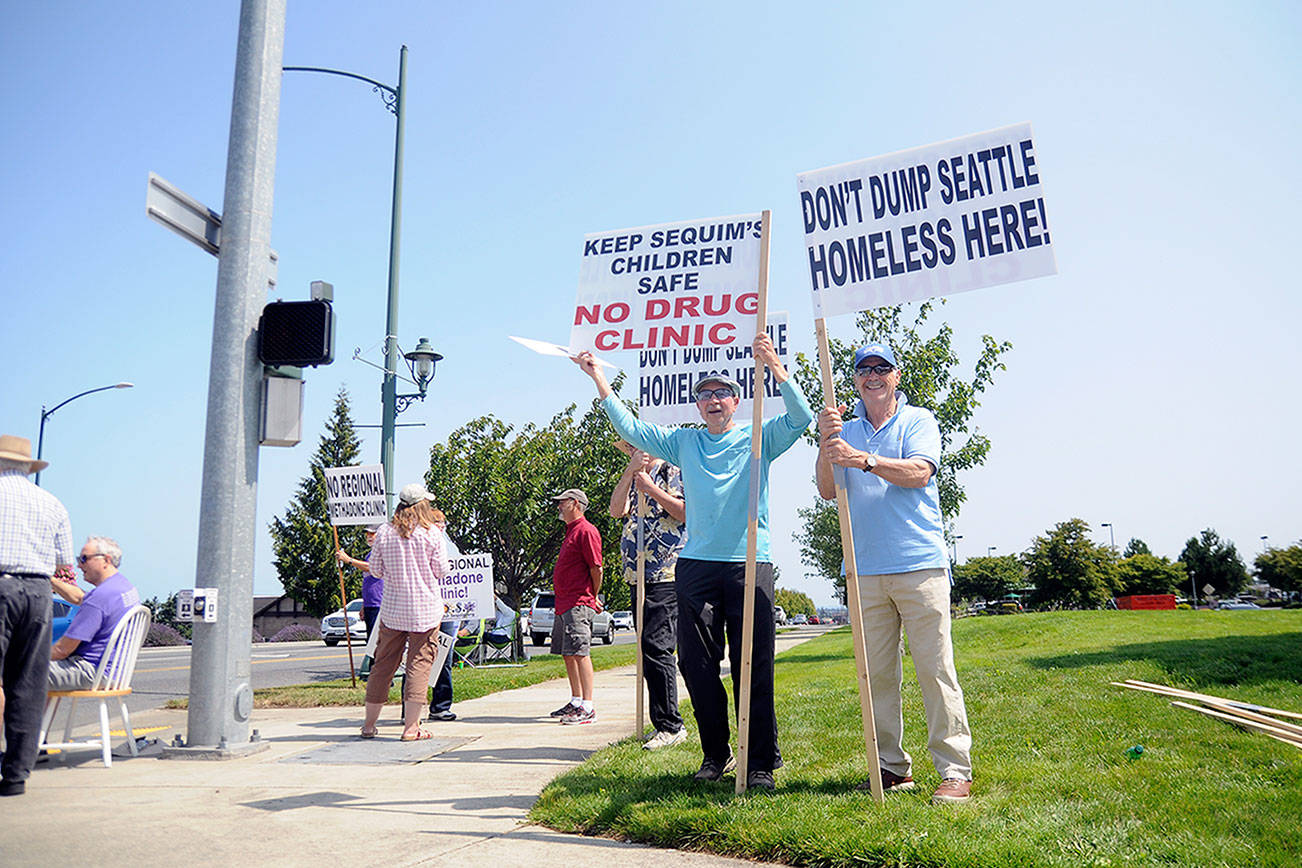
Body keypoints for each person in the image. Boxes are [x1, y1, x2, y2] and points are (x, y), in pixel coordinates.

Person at [574, 333, 813, 790]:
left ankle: (760, 760)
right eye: (704, 395)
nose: (713, 400)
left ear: (737, 401)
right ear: (697, 406)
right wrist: (599, 378)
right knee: (697, 665)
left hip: (749, 563)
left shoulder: (759, 435)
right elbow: (632, 430)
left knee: (753, 665)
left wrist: (775, 366)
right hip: (696, 566)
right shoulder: (685, 443)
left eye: (721, 393)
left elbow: (800, 417)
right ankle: (716, 753)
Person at [815, 343, 973, 805]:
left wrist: (865, 459)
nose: (872, 376)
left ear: (896, 376)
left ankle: (955, 769)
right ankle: (890, 766)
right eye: (864, 369)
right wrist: (828, 445)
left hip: (919, 565)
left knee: (935, 670)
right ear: (856, 379)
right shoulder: (844, 430)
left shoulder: (919, 421)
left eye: (881, 368)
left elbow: (920, 474)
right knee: (877, 675)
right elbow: (827, 490)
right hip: (863, 570)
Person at [0, 435, 75, 797]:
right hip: (38, 592)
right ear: (28, 467)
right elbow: (64, 564)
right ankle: (16, 775)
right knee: (28, 685)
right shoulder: (52, 503)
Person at [609, 439, 687, 750]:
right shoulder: (633, 474)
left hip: (666, 572)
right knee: (647, 647)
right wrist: (630, 473)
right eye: (629, 448)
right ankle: (661, 722)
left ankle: (671, 725)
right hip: (637, 575)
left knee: (658, 645)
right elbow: (617, 511)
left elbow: (684, 512)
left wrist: (651, 488)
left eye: (636, 446)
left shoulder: (671, 470)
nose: (633, 451)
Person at [359, 483, 450, 741]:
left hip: (392, 610)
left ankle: (369, 725)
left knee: (382, 666)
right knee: (418, 667)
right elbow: (442, 570)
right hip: (425, 611)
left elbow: (375, 570)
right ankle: (411, 728)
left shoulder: (385, 533)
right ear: (424, 505)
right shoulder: (432, 534)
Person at [48, 537, 140, 690]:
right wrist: (49, 579)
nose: (78, 565)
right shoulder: (123, 587)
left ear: (106, 560)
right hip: (117, 674)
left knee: (11, 672)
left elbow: (62, 650)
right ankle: (42, 715)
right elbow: (80, 597)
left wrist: (27, 658)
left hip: (92, 672)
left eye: (84, 558)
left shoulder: (99, 598)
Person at [547, 488, 603, 725]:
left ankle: (588, 707)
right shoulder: (570, 532)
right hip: (564, 603)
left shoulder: (586, 531)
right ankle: (576, 700)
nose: (559, 506)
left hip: (578, 602)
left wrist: (593, 595)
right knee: (568, 653)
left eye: (562, 502)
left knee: (580, 652)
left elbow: (596, 567)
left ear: (575, 503)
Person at [427, 508, 462, 722]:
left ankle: (440, 706)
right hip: (426, 608)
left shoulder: (451, 547)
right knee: (416, 658)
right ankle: (409, 707)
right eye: (436, 522)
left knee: (444, 658)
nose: (441, 526)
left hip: (449, 610)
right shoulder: (418, 543)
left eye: (442, 522)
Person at [336, 524, 382, 639]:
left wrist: (349, 560)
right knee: (371, 639)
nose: (369, 537)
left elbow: (371, 567)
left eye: (372, 534)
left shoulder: (381, 552)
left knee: (375, 642)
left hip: (379, 603)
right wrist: (364, 604)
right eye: (367, 534)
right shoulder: (369, 554)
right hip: (370, 603)